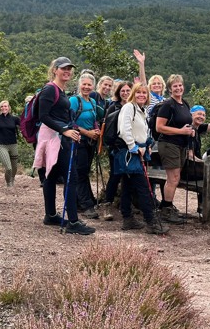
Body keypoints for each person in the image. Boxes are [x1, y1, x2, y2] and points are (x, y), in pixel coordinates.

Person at [33, 57, 95, 235]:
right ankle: (73, 222)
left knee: (51, 176)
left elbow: (60, 115)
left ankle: (51, 215)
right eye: (63, 69)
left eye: (69, 69)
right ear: (55, 70)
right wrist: (65, 130)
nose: (67, 71)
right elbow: (43, 116)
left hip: (59, 136)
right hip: (55, 138)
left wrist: (71, 128)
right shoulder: (50, 89)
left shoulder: (60, 90)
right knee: (71, 177)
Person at [116, 82, 168, 235]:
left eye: (144, 93)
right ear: (133, 93)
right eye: (138, 92)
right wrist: (133, 147)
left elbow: (143, 131)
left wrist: (148, 144)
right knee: (144, 188)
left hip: (137, 152)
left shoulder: (141, 110)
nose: (141, 95)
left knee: (128, 186)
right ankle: (151, 222)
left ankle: (127, 218)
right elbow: (124, 130)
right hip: (130, 153)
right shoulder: (129, 108)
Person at [155, 74, 194, 223]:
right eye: (175, 86)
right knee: (173, 178)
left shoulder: (185, 104)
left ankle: (167, 206)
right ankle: (166, 210)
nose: (178, 88)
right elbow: (159, 127)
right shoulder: (167, 105)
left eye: (180, 85)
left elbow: (185, 124)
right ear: (170, 89)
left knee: (174, 178)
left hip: (180, 145)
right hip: (168, 143)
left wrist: (190, 131)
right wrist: (181, 131)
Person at [70, 73, 104, 218]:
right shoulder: (74, 100)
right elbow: (70, 122)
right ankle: (86, 205)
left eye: (89, 85)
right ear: (79, 85)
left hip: (89, 142)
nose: (86, 87)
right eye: (84, 84)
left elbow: (94, 119)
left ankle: (79, 202)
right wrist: (87, 133)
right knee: (81, 173)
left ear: (93, 87)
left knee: (84, 171)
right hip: (78, 141)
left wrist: (96, 130)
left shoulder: (92, 102)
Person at [98, 81, 133, 220]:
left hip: (132, 148)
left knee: (129, 177)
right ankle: (107, 205)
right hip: (117, 148)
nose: (125, 93)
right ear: (118, 93)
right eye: (122, 91)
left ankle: (127, 208)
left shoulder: (136, 106)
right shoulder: (113, 107)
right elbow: (108, 128)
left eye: (128, 90)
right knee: (115, 176)